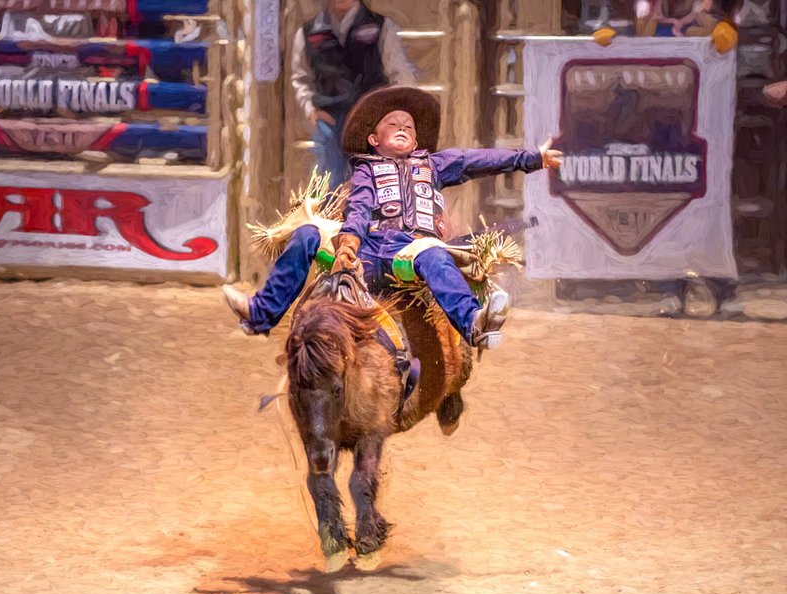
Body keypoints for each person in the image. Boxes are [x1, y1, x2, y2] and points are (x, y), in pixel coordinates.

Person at [223, 85, 562, 349]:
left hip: (409, 252)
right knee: (308, 232)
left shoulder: (435, 164)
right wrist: (347, 247)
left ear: (417, 140)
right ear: (374, 140)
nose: (402, 127)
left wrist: (533, 158)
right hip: (367, 253)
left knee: (436, 255)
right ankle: (261, 314)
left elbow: (480, 160)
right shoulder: (365, 171)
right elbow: (358, 208)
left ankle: (474, 323)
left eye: (408, 126)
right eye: (392, 124)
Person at [291, 0, 416, 189]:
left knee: (374, 180)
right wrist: (311, 110)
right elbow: (300, 78)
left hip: (371, 122)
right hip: (329, 123)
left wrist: (390, 115)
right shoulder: (308, 32)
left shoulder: (381, 26)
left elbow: (401, 75)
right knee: (328, 181)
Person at [593, 0, 742, 53]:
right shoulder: (643, 8)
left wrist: (724, 29)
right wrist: (613, 34)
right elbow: (628, 30)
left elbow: (718, 20)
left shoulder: (705, 9)